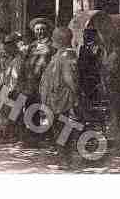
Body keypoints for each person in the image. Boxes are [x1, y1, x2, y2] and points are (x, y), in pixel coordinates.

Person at [39, 27, 80, 161]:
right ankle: (62, 155)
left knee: (64, 127)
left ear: (61, 39)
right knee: (58, 126)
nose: (52, 39)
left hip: (63, 98)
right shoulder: (59, 54)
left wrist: (76, 96)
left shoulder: (67, 55)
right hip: (55, 98)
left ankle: (65, 158)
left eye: (54, 37)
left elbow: (70, 79)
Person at [23, 17, 56, 144]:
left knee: (46, 108)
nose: (40, 32)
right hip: (31, 82)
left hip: (45, 81)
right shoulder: (31, 46)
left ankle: (48, 135)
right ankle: (33, 135)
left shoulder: (52, 45)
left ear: (47, 31)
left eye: (42, 29)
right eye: (37, 30)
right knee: (31, 107)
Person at [0, 33, 25, 144]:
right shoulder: (8, 57)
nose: (6, 51)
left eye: (8, 48)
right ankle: (4, 133)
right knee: (2, 110)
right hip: (6, 86)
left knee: (12, 113)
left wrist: (10, 90)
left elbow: (16, 76)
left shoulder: (19, 59)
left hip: (15, 89)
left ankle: (10, 135)